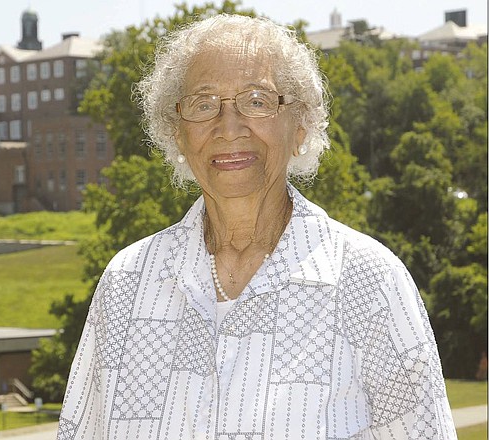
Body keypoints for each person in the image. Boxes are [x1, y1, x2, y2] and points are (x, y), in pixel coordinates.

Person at [58, 14, 456, 440]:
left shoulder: (368, 282)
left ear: (300, 123)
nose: (229, 128)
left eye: (257, 101)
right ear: (176, 132)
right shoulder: (127, 282)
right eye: (203, 104)